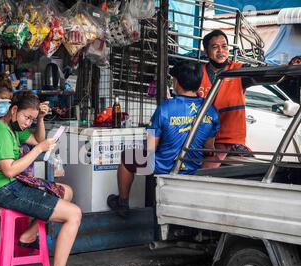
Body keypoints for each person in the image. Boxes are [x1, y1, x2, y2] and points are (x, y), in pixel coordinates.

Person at [0, 90, 85, 266]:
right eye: (26, 117)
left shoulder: (13, 127)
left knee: (67, 191)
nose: (28, 122)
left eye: (31, 118)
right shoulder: (1, 131)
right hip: (5, 190)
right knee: (74, 214)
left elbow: (39, 141)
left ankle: (28, 235)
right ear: (14, 110)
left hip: (13, 185)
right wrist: (38, 150)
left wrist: (41, 119)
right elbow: (10, 169)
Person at [107, 61, 220, 216]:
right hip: (192, 168)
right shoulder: (211, 110)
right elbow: (209, 147)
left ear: (177, 82)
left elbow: (151, 148)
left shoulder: (165, 108)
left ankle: (122, 203)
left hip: (164, 167)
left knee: (128, 158)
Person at [198, 30, 255, 168]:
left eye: (224, 46)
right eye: (215, 47)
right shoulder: (198, 73)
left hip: (231, 140)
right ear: (206, 52)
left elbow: (262, 76)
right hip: (202, 139)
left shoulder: (240, 70)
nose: (221, 51)